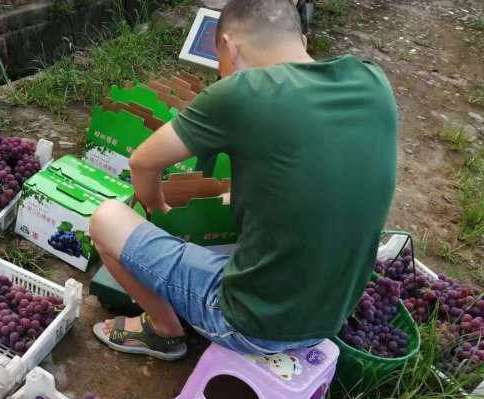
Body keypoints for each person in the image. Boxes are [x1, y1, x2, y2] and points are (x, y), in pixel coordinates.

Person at [90, 0, 397, 361]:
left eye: (220, 65)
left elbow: (142, 163)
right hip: (332, 315)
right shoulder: (373, 81)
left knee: (106, 219)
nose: (220, 76)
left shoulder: (244, 91)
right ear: (302, 39)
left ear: (230, 48)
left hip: (251, 325)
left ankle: (163, 331)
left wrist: (158, 209)